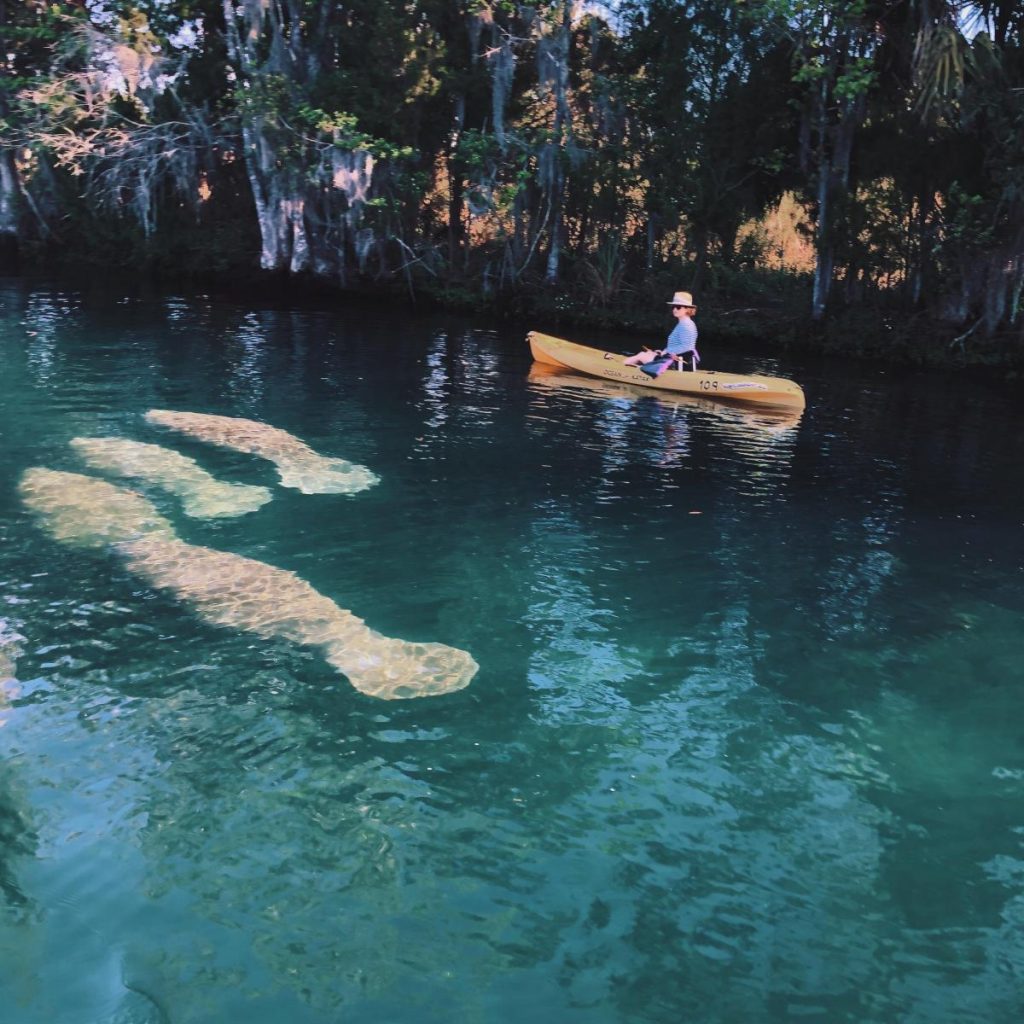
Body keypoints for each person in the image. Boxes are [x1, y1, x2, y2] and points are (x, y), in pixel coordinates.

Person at [624, 291, 699, 375]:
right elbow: (678, 346)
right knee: (648, 353)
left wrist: (665, 353)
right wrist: (662, 352)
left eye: (678, 307)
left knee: (641, 355)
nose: (674, 309)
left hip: (676, 364)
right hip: (675, 360)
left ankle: (620, 369)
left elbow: (686, 347)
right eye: (673, 306)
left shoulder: (685, 325)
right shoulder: (685, 323)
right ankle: (629, 367)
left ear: (687, 309)